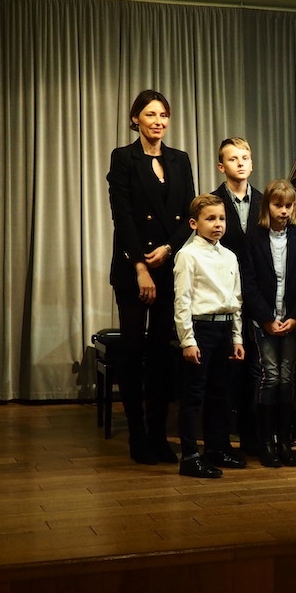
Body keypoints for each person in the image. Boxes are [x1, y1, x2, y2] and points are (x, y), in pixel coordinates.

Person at [107, 90, 194, 465]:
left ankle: (159, 435)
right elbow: (122, 217)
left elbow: (190, 213)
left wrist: (169, 249)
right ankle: (137, 436)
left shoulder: (180, 160)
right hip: (133, 271)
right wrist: (141, 267)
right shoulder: (123, 158)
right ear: (135, 119)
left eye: (163, 115)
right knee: (132, 352)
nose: (158, 121)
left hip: (168, 266)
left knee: (161, 353)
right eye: (150, 114)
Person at [240, 180, 296, 468]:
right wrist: (266, 319)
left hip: (292, 319)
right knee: (270, 377)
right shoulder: (254, 236)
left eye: (288, 206)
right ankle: (266, 442)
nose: (283, 211)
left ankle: (285, 441)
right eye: (278, 205)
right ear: (267, 206)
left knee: (287, 377)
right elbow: (249, 283)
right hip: (266, 321)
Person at [173, 194, 246, 478]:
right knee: (194, 394)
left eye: (222, 219)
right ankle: (191, 456)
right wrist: (188, 340)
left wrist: (237, 338)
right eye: (211, 219)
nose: (218, 224)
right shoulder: (188, 255)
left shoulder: (229, 256)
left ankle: (217, 448)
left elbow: (235, 300)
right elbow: (182, 301)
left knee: (221, 393)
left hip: (224, 328)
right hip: (200, 328)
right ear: (194, 223)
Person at [211, 138, 263, 456]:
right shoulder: (212, 202)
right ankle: (220, 438)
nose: (240, 163)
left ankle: (251, 436)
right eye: (233, 159)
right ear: (222, 166)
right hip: (224, 295)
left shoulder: (264, 202)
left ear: (252, 163)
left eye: (245, 157)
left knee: (254, 368)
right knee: (227, 369)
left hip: (256, 295)